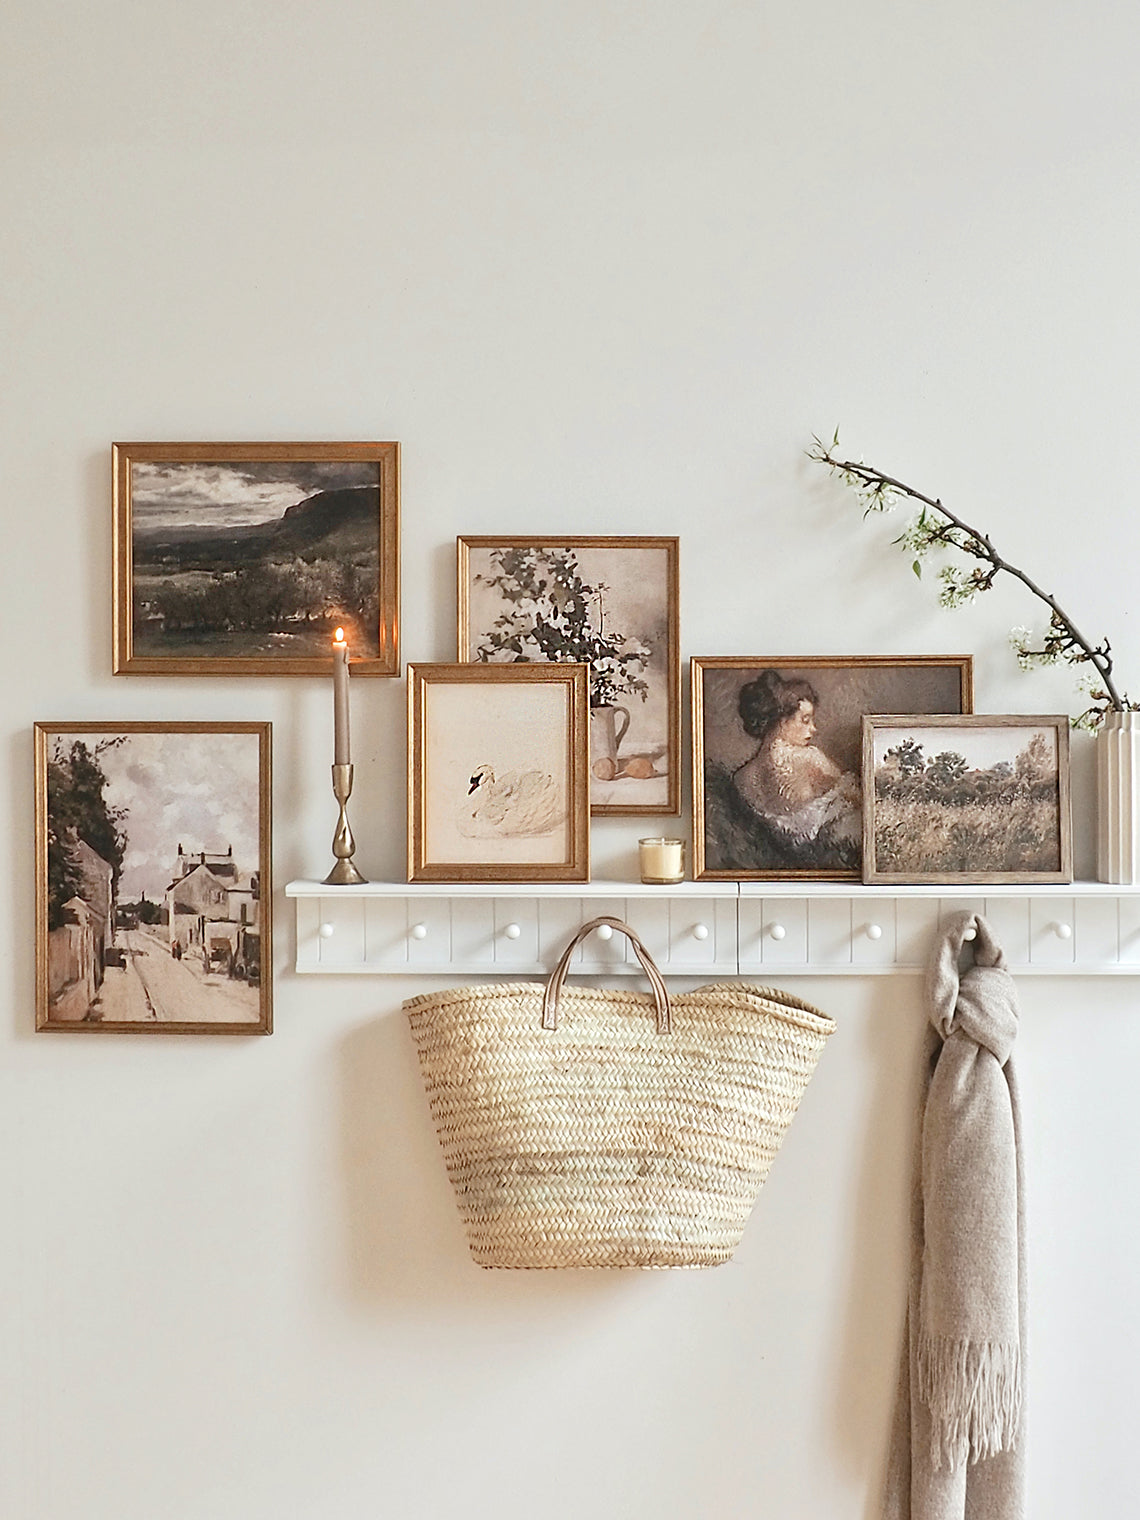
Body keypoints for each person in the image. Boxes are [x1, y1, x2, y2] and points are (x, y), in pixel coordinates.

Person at [730, 670, 861, 851]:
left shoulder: (741, 777)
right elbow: (860, 801)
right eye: (805, 720)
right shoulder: (810, 758)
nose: (813, 729)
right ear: (782, 720)